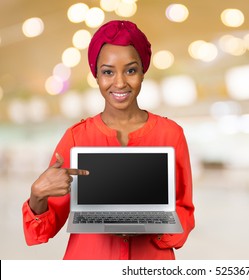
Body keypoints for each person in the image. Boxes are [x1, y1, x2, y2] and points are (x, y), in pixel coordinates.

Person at [22, 20, 195, 260]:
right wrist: (37, 195)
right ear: (96, 75)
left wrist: (150, 228)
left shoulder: (171, 134)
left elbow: (184, 210)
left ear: (143, 72)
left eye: (131, 70)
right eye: (108, 72)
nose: (120, 82)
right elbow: (44, 228)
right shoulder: (76, 137)